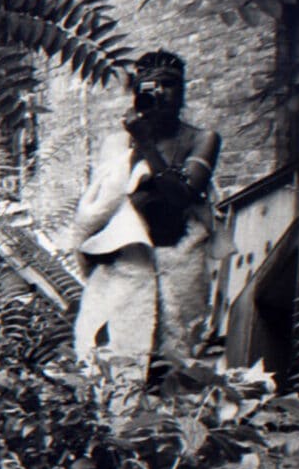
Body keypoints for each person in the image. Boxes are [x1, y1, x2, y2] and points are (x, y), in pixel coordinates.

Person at [73, 50, 223, 369]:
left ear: (183, 90)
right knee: (120, 361)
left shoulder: (201, 138)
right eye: (151, 86)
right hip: (128, 267)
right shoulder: (116, 143)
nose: (162, 94)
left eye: (170, 84)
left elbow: (182, 196)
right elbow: (99, 211)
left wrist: (146, 146)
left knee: (179, 363)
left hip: (180, 265)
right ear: (137, 93)